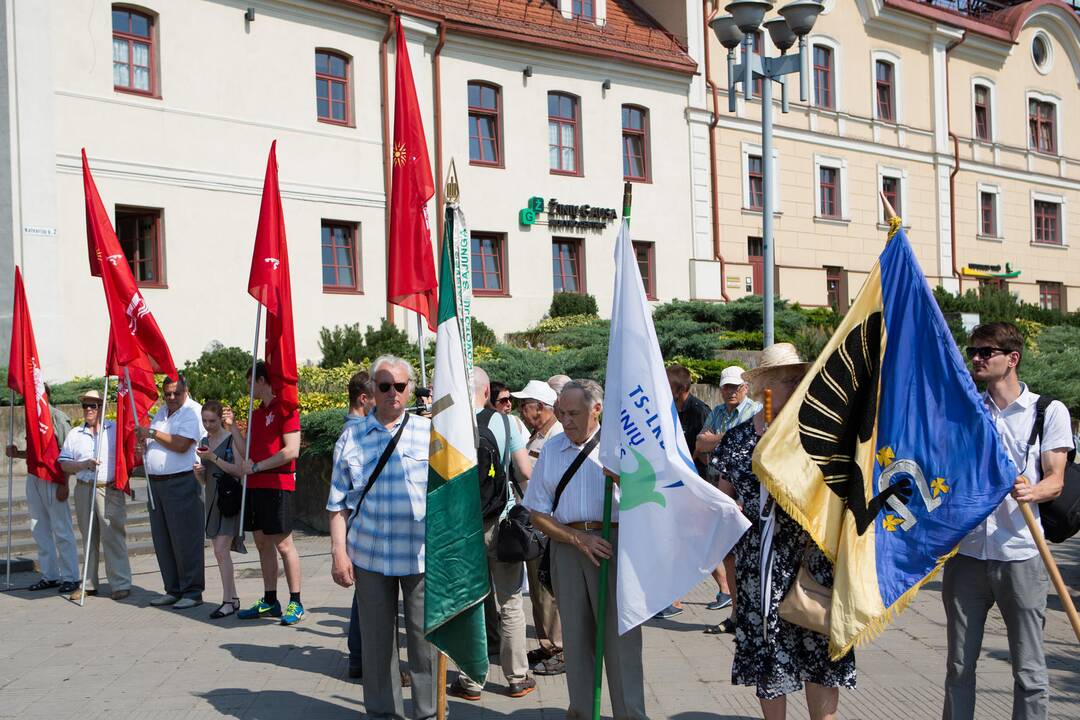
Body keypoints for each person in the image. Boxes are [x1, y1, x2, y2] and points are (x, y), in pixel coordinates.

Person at [711, 343, 854, 720]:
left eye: (799, 379)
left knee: (820, 653)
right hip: (758, 566)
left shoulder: (821, 435)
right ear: (764, 387)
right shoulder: (739, 439)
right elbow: (724, 506)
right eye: (787, 380)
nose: (796, 386)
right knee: (768, 658)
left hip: (812, 560)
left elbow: (842, 495)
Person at [942, 322, 1073, 720]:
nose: (977, 359)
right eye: (974, 352)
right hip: (968, 554)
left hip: (1022, 553)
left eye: (986, 352)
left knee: (1030, 670)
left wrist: (1030, 491)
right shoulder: (967, 411)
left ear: (1011, 359)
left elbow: (1056, 480)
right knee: (959, 667)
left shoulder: (1047, 411)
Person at [525, 379, 646, 720]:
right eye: (561, 413)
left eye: (574, 413)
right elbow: (536, 511)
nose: (566, 421)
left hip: (614, 545)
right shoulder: (552, 449)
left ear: (596, 409)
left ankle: (630, 714)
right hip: (569, 546)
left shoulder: (620, 447)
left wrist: (623, 479)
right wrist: (576, 539)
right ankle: (581, 711)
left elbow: (651, 502)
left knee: (621, 642)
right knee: (576, 642)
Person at [327, 355, 438, 720]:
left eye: (400, 386)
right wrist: (338, 554)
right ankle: (383, 713)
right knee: (377, 646)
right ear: (372, 389)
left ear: (409, 390)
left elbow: (453, 493)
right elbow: (337, 503)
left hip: (419, 555)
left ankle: (427, 713)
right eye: (385, 385)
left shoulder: (430, 434)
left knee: (425, 642)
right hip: (370, 555)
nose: (393, 393)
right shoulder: (351, 436)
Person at [448, 368, 536, 701]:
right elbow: (525, 470)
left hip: (463, 526)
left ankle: (470, 680)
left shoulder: (447, 425)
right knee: (511, 601)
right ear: (486, 392)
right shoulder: (507, 423)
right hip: (500, 523)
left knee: (470, 602)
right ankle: (517, 677)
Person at [233, 361, 303, 626]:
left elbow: (291, 450)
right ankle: (270, 599)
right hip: (255, 486)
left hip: (277, 485)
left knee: (284, 544)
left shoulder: (286, 408)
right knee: (262, 543)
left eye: (251, 382)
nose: (248, 388)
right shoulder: (256, 414)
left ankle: (295, 601)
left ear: (262, 380)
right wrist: (232, 428)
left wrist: (259, 466)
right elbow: (246, 451)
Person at [511, 380, 566, 676]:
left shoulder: (556, 437)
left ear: (543, 409)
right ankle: (547, 644)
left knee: (548, 591)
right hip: (534, 523)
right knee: (537, 589)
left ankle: (560, 647)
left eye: (526, 404)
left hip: (548, 524)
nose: (521, 409)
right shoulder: (538, 435)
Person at [697, 365, 761, 621]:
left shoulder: (755, 410)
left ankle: (747, 611)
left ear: (745, 388)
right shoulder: (717, 411)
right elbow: (700, 443)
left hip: (743, 490)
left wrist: (719, 438)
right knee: (727, 552)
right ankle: (736, 612)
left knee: (744, 552)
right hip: (717, 486)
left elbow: (751, 445)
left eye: (735, 387)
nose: (730, 391)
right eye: (726, 387)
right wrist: (732, 438)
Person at [137, 376, 205, 609]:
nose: (172, 398)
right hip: (156, 483)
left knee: (185, 538)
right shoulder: (162, 412)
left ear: (186, 391)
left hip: (181, 481)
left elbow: (181, 444)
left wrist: (152, 434)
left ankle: (192, 591)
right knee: (163, 539)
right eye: (168, 394)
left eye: (176, 393)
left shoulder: (192, 412)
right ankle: (173, 588)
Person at [59, 390, 130, 602]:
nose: (89, 410)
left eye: (93, 406)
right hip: (84, 487)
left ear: (103, 407)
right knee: (88, 536)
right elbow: (63, 462)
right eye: (85, 406)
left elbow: (128, 455)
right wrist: (82, 464)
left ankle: (120, 583)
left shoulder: (114, 430)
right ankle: (88, 583)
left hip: (109, 488)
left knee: (113, 535)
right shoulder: (74, 434)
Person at [7, 386, 78, 594]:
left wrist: (65, 483)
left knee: (61, 528)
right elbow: (35, 453)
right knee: (38, 527)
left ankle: (71, 576)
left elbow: (68, 453)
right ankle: (50, 575)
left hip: (54, 477)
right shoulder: (31, 419)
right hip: (34, 476)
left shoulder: (57, 418)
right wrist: (18, 453)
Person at [655, 364, 712, 620]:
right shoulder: (666, 410)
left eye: (669, 388)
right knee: (679, 539)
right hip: (676, 483)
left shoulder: (699, 411)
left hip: (698, 482)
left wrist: (686, 460)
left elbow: (703, 445)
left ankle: (678, 598)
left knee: (691, 540)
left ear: (683, 390)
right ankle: (675, 597)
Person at [193, 401, 244, 619]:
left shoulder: (231, 438)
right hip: (212, 499)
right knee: (219, 552)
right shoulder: (205, 440)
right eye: (204, 421)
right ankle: (232, 598)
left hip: (229, 499)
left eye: (212, 420)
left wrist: (213, 458)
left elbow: (240, 470)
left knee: (221, 550)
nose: (208, 425)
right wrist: (199, 472)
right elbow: (205, 481)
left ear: (220, 419)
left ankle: (227, 601)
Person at [342, 369, 374, 678]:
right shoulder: (357, 432)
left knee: (364, 597)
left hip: (360, 525)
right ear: (363, 399)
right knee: (368, 598)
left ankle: (359, 658)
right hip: (364, 526)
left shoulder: (356, 428)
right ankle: (362, 658)